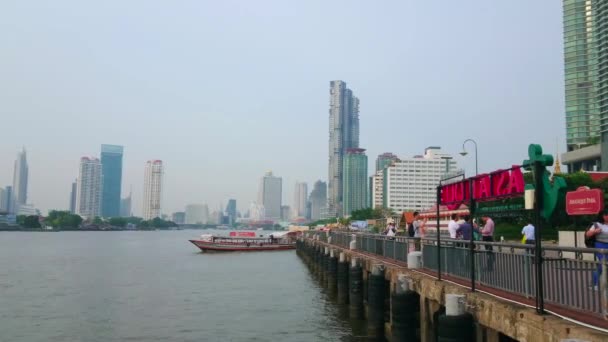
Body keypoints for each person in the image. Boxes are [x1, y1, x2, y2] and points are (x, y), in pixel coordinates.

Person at [586, 211, 608, 288]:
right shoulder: (597, 224)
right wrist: (595, 231)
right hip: (600, 246)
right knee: (602, 264)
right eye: (606, 215)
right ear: (602, 216)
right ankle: (594, 284)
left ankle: (596, 283)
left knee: (601, 266)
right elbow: (588, 234)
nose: (607, 216)